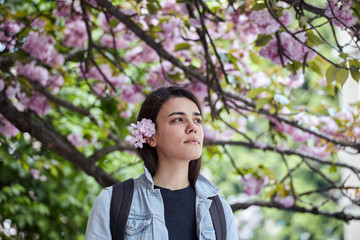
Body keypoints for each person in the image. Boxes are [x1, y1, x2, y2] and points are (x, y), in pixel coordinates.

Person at [85, 86, 238, 239]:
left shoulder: (219, 209)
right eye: (178, 119)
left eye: (197, 120)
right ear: (151, 137)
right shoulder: (112, 202)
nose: (193, 128)